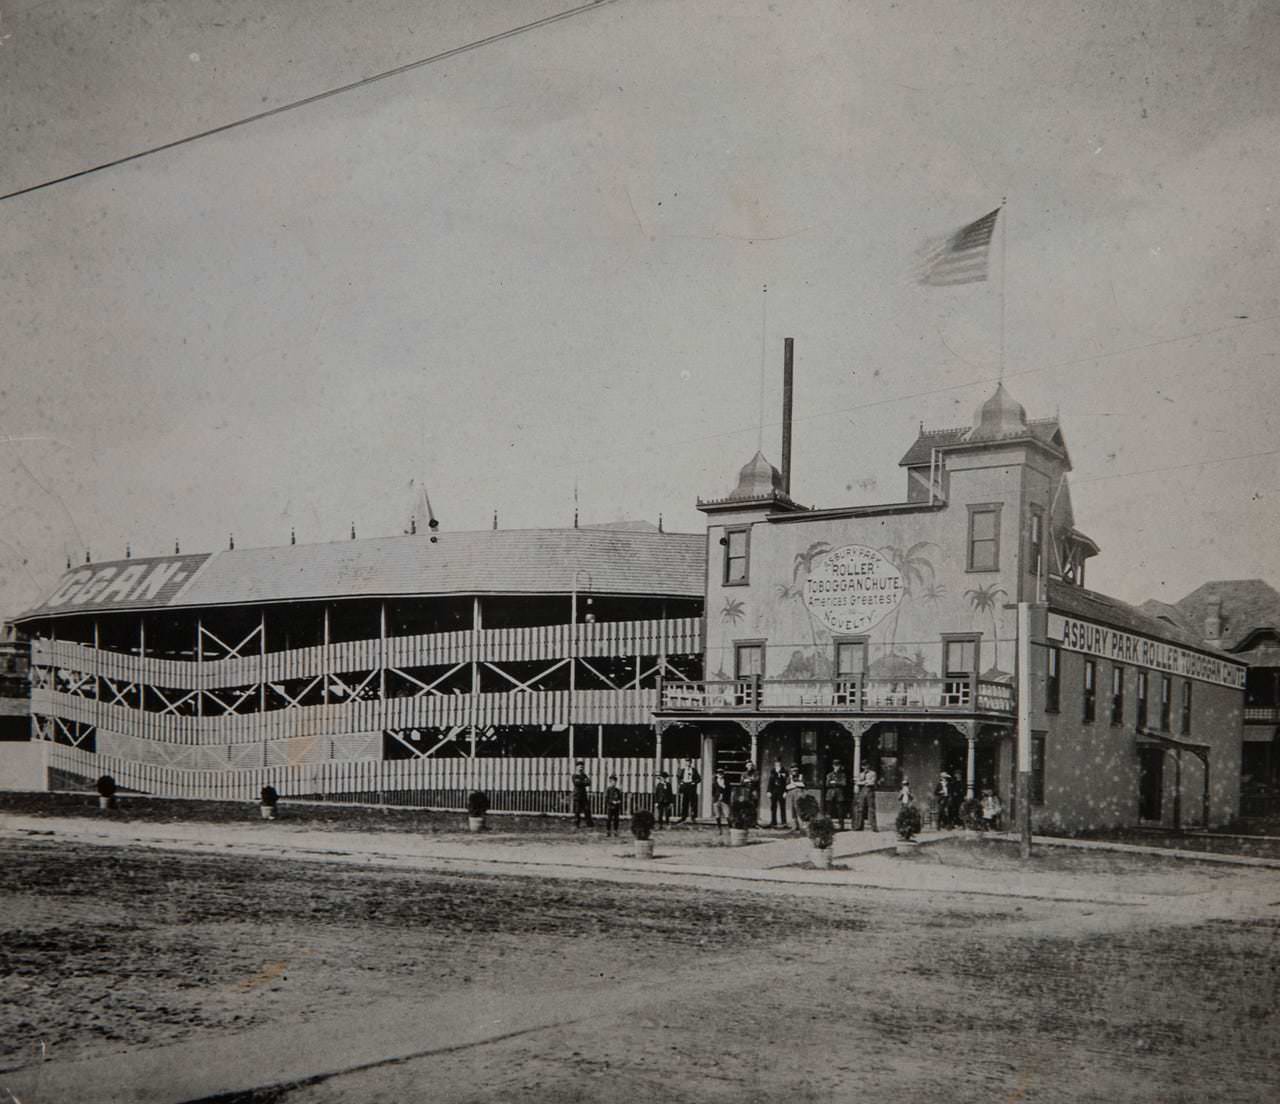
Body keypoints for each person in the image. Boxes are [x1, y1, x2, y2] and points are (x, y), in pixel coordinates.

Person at [825, 763, 849, 830]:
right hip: (830, 794)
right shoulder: (829, 774)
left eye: (838, 766)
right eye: (835, 766)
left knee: (840, 811)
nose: (837, 767)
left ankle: (841, 826)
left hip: (839, 795)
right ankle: (827, 826)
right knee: (829, 810)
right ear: (833, 766)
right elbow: (827, 784)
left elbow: (844, 783)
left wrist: (834, 782)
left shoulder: (842, 775)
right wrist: (838, 782)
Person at [677, 758, 701, 824]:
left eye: (689, 762)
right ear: (685, 763)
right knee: (684, 803)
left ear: (691, 763)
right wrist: (681, 782)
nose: (688, 763)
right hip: (685, 786)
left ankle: (693, 817)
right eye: (687, 762)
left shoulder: (693, 770)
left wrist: (694, 782)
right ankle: (683, 817)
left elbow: (699, 779)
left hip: (691, 787)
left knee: (693, 803)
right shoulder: (682, 770)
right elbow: (679, 778)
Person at [856, 763, 879, 831]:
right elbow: (857, 782)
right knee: (860, 808)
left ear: (869, 766)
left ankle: (874, 827)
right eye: (863, 766)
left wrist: (863, 782)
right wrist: (865, 782)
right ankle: (859, 826)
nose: (865, 767)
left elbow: (872, 782)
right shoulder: (861, 774)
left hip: (870, 791)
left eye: (866, 765)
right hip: (862, 791)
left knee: (871, 809)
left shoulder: (873, 773)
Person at [571, 761, 594, 828]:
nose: (581, 767)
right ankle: (577, 824)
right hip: (577, 795)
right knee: (577, 811)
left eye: (582, 766)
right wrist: (584, 782)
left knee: (587, 810)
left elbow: (589, 782)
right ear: (576, 767)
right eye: (579, 766)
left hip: (584, 795)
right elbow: (577, 783)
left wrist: (583, 782)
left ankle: (589, 824)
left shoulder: (584, 775)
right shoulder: (574, 775)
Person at [767, 759, 788, 828]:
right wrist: (769, 791)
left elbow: (786, 783)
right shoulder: (772, 771)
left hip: (781, 791)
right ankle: (773, 822)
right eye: (776, 764)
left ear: (781, 764)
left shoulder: (784, 771)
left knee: (782, 807)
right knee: (773, 807)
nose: (777, 765)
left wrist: (785, 791)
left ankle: (784, 822)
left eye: (779, 764)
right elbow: (770, 782)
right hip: (774, 791)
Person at [784, 766, 806, 831]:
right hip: (791, 795)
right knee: (793, 810)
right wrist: (795, 785)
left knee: (800, 809)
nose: (794, 772)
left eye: (796, 771)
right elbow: (787, 786)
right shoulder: (789, 777)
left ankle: (803, 825)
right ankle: (795, 826)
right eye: (793, 771)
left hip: (799, 795)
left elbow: (803, 784)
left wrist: (794, 784)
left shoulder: (801, 776)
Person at [739, 761, 760, 827]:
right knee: (745, 808)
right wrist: (750, 779)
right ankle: (746, 822)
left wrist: (747, 780)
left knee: (754, 807)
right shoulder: (744, 774)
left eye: (751, 765)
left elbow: (757, 780)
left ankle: (754, 823)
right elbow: (741, 783)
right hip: (746, 791)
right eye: (748, 765)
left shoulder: (756, 773)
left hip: (753, 791)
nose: (750, 767)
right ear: (746, 766)